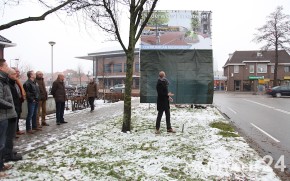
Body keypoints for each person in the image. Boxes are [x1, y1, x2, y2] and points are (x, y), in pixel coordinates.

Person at [0, 59, 15, 177]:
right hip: (1, 115)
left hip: (5, 115)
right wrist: (10, 105)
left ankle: (1, 164)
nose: (8, 67)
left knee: (3, 142)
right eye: (6, 65)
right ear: (1, 68)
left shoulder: (4, 80)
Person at [4, 68, 22, 162]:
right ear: (10, 75)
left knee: (11, 134)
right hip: (9, 111)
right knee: (8, 135)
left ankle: (9, 151)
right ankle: (8, 154)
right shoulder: (7, 84)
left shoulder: (13, 83)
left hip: (14, 109)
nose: (17, 75)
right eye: (15, 73)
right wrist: (11, 106)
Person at [11, 67, 26, 136]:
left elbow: (20, 90)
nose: (18, 73)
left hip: (19, 101)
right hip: (14, 102)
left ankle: (17, 130)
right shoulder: (11, 82)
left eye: (18, 72)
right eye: (16, 71)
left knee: (18, 115)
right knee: (14, 117)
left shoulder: (17, 81)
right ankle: (14, 131)